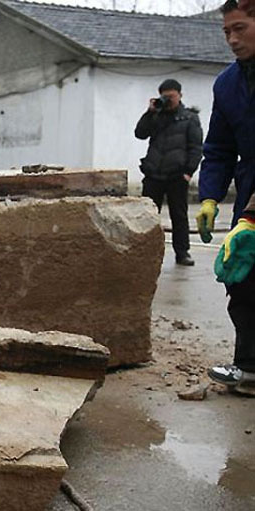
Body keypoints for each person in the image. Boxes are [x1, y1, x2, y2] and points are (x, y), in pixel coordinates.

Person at [196, 0, 255, 396]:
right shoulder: (227, 83)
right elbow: (218, 148)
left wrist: (252, 216)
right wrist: (210, 197)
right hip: (250, 187)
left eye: (241, 28)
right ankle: (249, 369)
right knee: (242, 276)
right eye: (226, 32)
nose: (232, 39)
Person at [134, 78, 203, 266]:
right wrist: (149, 113)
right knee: (147, 216)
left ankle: (182, 253)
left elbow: (196, 147)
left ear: (180, 95)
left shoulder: (190, 118)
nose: (168, 100)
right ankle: (145, 253)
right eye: (165, 97)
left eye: (171, 96)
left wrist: (189, 171)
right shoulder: (156, 115)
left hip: (177, 175)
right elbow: (139, 133)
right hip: (154, 173)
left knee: (179, 215)